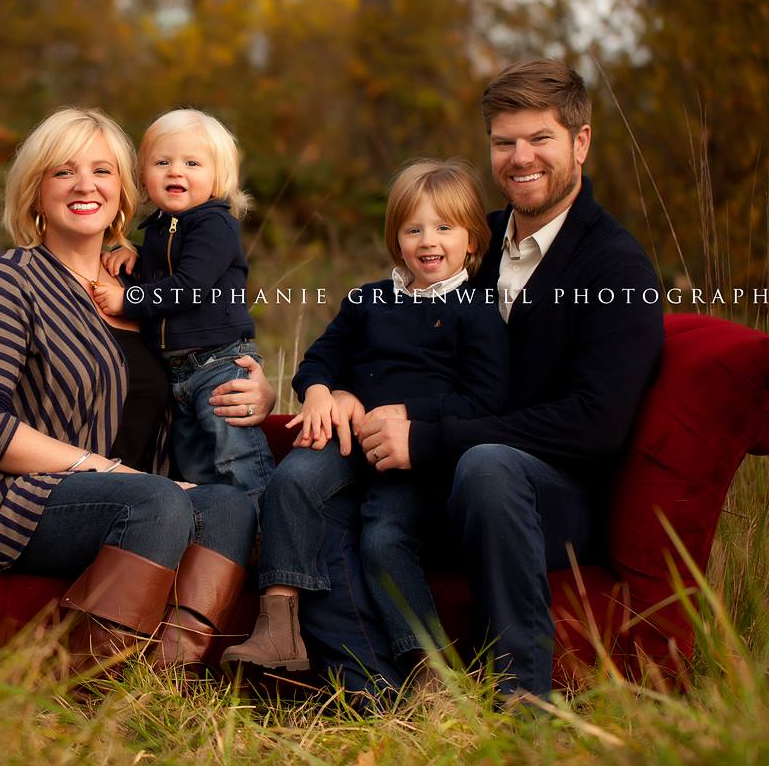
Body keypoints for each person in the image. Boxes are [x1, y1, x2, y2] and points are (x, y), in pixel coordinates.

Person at [339, 59, 665, 701]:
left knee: (490, 465)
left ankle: (522, 700)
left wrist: (429, 438)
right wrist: (340, 388)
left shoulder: (615, 266)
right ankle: (371, 686)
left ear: (580, 142)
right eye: (503, 142)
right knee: (331, 483)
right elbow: (386, 338)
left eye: (540, 139)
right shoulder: (470, 245)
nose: (521, 158)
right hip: (445, 477)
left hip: (553, 497)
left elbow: (594, 423)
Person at [0, 107, 276, 671]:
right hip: (16, 498)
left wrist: (254, 389)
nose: (86, 185)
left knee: (228, 505)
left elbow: (211, 352)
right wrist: (109, 472)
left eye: (103, 171)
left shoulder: (146, 294)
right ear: (35, 192)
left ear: (125, 192)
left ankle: (166, 682)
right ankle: (89, 687)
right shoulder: (6, 281)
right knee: (156, 498)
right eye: (63, 172)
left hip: (143, 502)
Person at [221, 159, 509, 677]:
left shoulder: (480, 310)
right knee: (293, 479)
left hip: (414, 459)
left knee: (383, 536)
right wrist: (319, 393)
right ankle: (278, 627)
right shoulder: (370, 300)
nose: (428, 241)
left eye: (444, 228)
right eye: (413, 228)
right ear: (395, 239)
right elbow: (320, 358)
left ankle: (430, 669)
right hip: (350, 442)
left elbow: (484, 399)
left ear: (472, 240)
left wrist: (407, 413)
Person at [94, 109, 272, 501]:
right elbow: (171, 265)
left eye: (192, 163)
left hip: (219, 364)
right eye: (163, 162)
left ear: (217, 177)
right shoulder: (159, 228)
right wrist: (137, 256)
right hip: (178, 371)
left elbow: (190, 285)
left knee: (235, 460)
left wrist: (131, 298)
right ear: (143, 177)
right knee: (194, 467)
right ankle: (216, 539)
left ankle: (263, 533)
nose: (176, 171)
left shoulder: (216, 225)